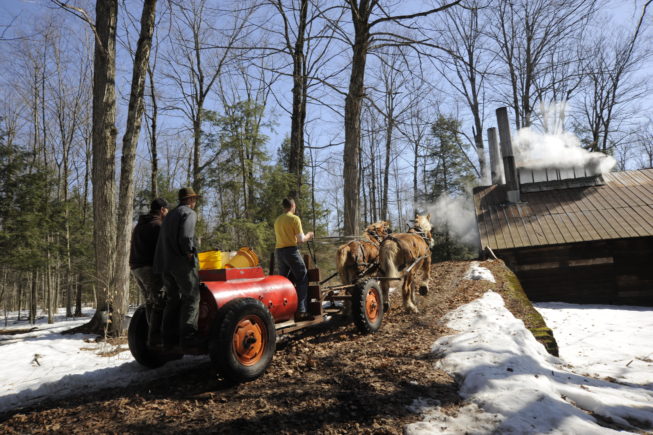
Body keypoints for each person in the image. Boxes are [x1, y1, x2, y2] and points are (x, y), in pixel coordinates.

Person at [154, 187, 203, 349]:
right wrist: (189, 253)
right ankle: (188, 337)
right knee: (192, 297)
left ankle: (167, 338)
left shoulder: (169, 216)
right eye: (194, 199)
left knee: (173, 299)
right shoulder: (189, 213)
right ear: (189, 200)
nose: (195, 202)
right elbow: (186, 236)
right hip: (180, 262)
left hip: (165, 264)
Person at [130, 198, 169, 347]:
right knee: (159, 301)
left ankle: (150, 333)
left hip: (135, 267)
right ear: (162, 210)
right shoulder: (158, 226)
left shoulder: (140, 225)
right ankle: (155, 338)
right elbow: (163, 250)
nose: (167, 212)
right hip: (148, 268)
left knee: (149, 301)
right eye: (167, 209)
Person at [274, 198, 314, 322]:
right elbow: (301, 239)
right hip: (291, 251)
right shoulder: (294, 219)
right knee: (302, 277)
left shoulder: (278, 220)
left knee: (284, 281)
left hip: (279, 252)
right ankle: (301, 311)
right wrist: (309, 235)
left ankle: (283, 310)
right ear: (292, 205)